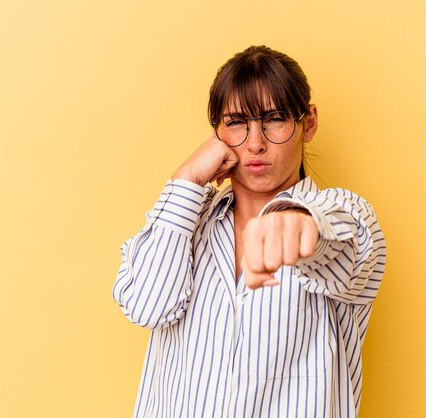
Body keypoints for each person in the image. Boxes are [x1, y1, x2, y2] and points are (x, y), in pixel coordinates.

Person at [112, 45, 387, 418]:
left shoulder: (344, 214)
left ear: (308, 123)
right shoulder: (188, 222)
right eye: (237, 122)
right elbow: (147, 306)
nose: (256, 143)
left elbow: (344, 241)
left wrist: (300, 227)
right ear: (217, 134)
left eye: (274, 119)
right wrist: (185, 181)